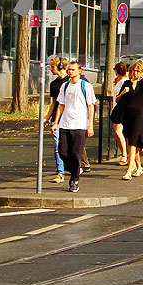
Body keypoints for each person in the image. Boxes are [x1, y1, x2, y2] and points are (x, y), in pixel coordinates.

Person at [50, 61, 96, 193]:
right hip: (65, 123)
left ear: (79, 71)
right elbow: (60, 105)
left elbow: (91, 106)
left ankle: (74, 181)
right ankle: (76, 169)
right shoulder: (65, 86)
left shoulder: (85, 86)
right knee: (63, 151)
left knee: (76, 154)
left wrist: (90, 125)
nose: (70, 72)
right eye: (69, 70)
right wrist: (55, 122)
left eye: (73, 70)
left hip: (79, 124)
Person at [118, 61, 143, 180]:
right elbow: (118, 99)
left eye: (138, 71)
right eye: (133, 70)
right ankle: (139, 167)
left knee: (133, 142)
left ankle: (129, 169)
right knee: (132, 142)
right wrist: (123, 93)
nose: (135, 73)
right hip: (128, 116)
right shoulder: (127, 83)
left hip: (139, 116)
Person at [44, 56, 69, 184]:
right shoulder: (54, 84)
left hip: (70, 118)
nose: (51, 69)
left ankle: (73, 166)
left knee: (69, 147)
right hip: (57, 119)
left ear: (60, 67)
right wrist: (46, 118)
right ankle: (60, 172)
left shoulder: (70, 82)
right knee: (57, 145)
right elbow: (54, 103)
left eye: (53, 66)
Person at [111, 61, 129, 166]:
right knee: (118, 132)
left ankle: (125, 154)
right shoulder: (119, 81)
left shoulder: (124, 82)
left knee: (119, 132)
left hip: (121, 110)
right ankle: (124, 153)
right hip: (116, 109)